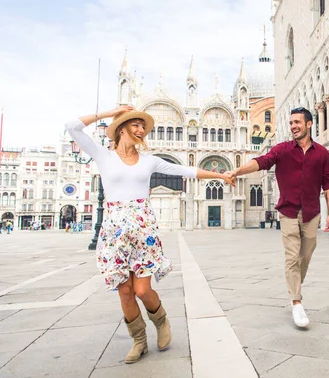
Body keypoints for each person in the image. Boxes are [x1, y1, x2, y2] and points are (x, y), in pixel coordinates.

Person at [66, 105, 235, 363]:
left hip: (142, 229)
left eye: (142, 126)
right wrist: (108, 112)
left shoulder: (150, 161)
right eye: (135, 125)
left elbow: (186, 171)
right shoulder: (102, 155)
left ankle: (162, 321)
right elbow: (71, 126)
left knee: (143, 289)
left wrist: (220, 176)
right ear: (121, 128)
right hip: (114, 232)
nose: (141, 130)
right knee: (124, 290)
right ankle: (139, 341)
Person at [228, 107, 329, 328]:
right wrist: (238, 171)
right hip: (287, 211)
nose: (293, 126)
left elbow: (328, 183)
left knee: (306, 254)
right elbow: (262, 161)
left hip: (312, 211)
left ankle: (294, 283)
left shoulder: (322, 153)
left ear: (309, 124)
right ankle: (297, 302)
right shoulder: (282, 150)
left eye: (297, 122)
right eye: (291, 123)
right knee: (292, 256)